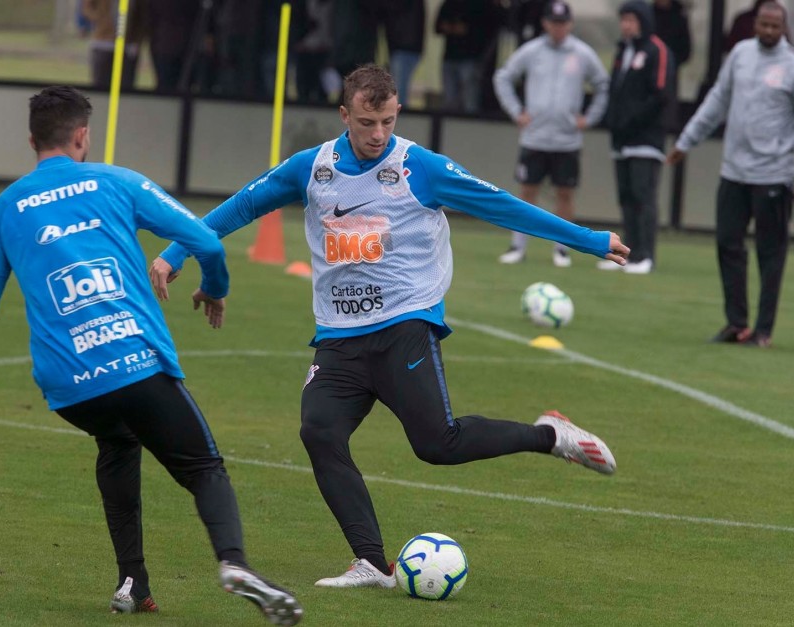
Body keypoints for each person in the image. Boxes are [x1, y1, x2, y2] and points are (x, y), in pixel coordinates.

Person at [150, 65, 627, 588]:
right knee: (320, 430)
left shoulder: (420, 167)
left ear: (397, 111)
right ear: (344, 116)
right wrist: (177, 252)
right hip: (338, 335)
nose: (378, 134)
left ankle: (549, 435)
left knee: (436, 444)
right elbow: (240, 206)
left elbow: (504, 207)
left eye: (387, 121)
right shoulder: (311, 168)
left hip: (406, 322)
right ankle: (371, 563)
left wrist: (589, 240)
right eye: (366, 122)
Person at [0, 86, 302, 625]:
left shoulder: (5, 207)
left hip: (68, 387)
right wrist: (214, 286)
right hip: (135, 363)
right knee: (204, 469)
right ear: (83, 136)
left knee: (117, 440)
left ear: (32, 139)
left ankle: (133, 582)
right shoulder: (118, 181)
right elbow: (209, 244)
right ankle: (235, 564)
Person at [666, 1, 794, 347]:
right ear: (755, 25)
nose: (767, 31)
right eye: (763, 25)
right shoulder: (740, 55)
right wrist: (687, 140)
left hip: (774, 175)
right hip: (734, 171)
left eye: (774, 27)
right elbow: (717, 101)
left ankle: (763, 330)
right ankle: (736, 323)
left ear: (784, 29)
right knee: (727, 244)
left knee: (771, 253)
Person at [493, 0, 609, 267]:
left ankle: (562, 249)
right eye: (554, 23)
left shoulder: (582, 53)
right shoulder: (532, 51)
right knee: (527, 191)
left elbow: (603, 85)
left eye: (563, 23)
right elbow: (503, 77)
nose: (558, 28)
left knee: (565, 193)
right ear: (545, 23)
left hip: (567, 139)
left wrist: (589, 118)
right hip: (535, 137)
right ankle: (517, 246)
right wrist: (516, 111)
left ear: (570, 24)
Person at [598, 0, 674, 275]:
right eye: (624, 20)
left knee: (644, 196)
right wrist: (614, 122)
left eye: (632, 19)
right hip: (621, 140)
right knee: (626, 197)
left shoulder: (657, 50)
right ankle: (627, 254)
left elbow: (661, 95)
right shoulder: (622, 51)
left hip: (646, 139)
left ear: (643, 21)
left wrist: (632, 120)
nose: (627, 25)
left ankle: (646, 256)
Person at [434, 0, 493, 113]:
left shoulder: (479, 5)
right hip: (450, 57)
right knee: (449, 99)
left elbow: (483, 30)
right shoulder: (449, 4)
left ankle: (470, 127)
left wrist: (462, 29)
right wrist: (454, 28)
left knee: (470, 99)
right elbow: (438, 27)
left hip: (469, 58)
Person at [81, 0, 148, 90]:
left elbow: (143, 15)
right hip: (103, 43)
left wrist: (137, 40)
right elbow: (87, 8)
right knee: (101, 86)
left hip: (128, 46)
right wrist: (102, 20)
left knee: (126, 87)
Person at [383, 0, 425, 109]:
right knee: (399, 89)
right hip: (407, 45)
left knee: (398, 91)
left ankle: (400, 120)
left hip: (404, 45)